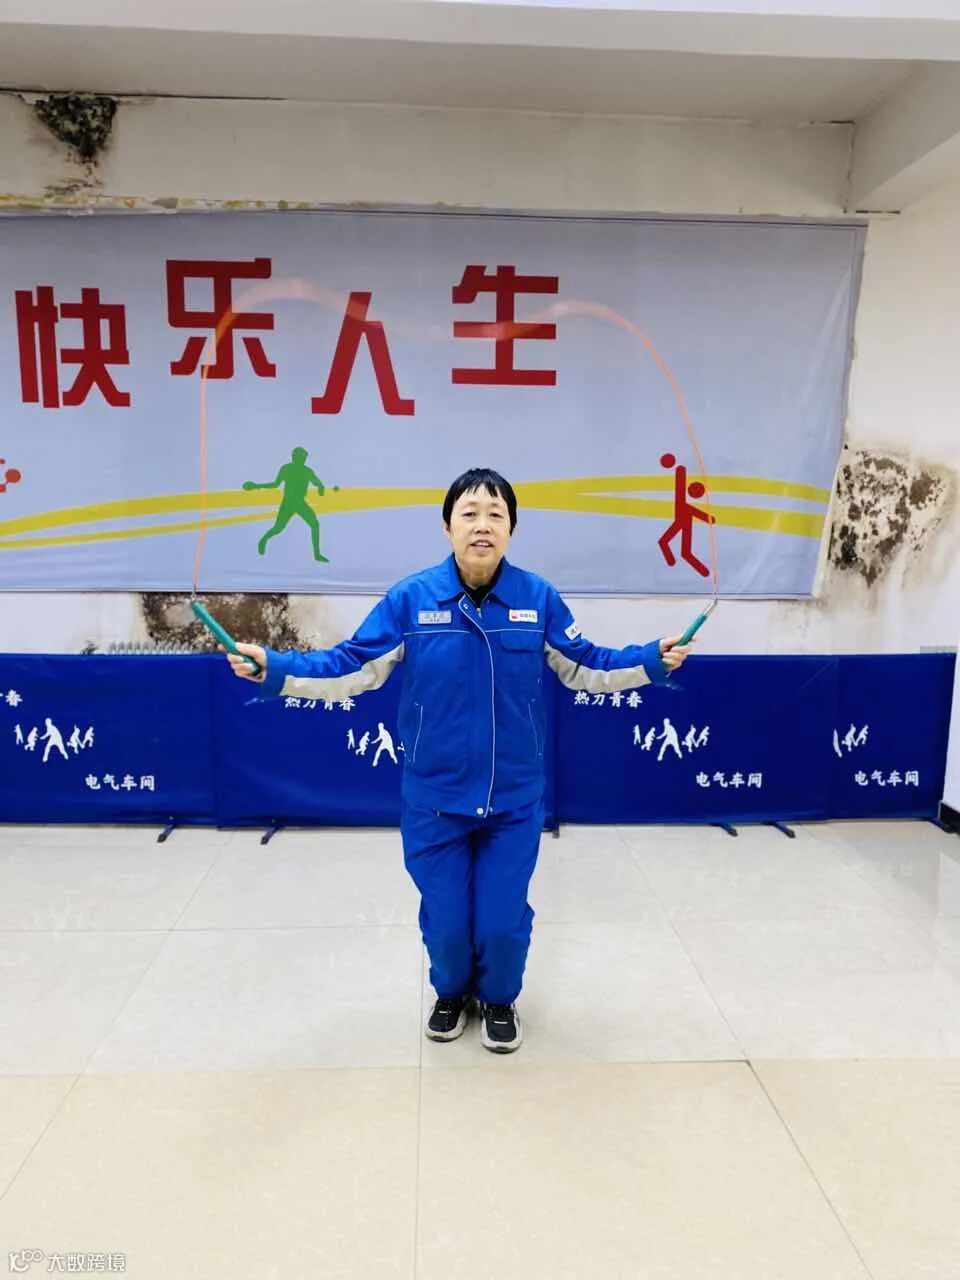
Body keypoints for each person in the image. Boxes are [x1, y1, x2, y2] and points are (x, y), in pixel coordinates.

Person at [224, 468, 692, 1054]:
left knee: (500, 922)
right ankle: (450, 993)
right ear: (447, 527)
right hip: (435, 801)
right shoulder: (411, 600)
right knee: (446, 925)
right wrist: (275, 669)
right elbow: (350, 665)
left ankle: (498, 999)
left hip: (513, 800)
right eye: (469, 514)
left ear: (511, 530)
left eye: (496, 515)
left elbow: (586, 663)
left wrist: (651, 660)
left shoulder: (537, 599)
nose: (482, 525)